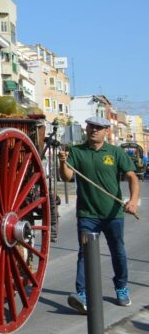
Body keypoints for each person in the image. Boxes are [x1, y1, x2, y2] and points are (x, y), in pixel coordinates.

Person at [59, 116, 140, 314]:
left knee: (117, 252)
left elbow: (132, 176)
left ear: (106, 131)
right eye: (91, 126)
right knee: (84, 254)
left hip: (113, 214)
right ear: (86, 129)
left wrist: (133, 201)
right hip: (87, 214)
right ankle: (83, 294)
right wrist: (63, 162)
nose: (94, 130)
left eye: (98, 127)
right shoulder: (77, 151)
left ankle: (121, 288)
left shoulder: (115, 152)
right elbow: (67, 177)